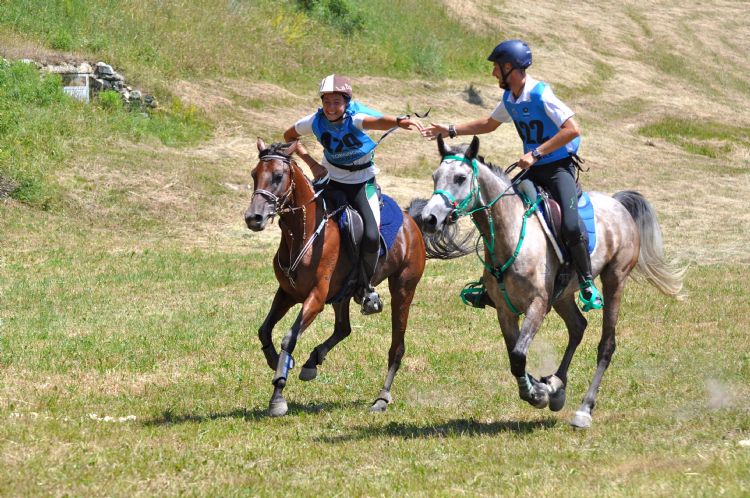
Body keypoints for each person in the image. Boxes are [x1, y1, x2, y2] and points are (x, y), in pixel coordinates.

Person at [421, 40, 603, 311]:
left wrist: (537, 154)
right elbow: (488, 124)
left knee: (571, 224)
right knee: (501, 215)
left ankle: (587, 283)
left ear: (510, 68)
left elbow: (572, 130)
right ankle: (490, 284)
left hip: (558, 169)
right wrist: (449, 130)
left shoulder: (541, 94)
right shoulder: (510, 98)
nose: (494, 73)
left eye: (496, 67)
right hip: (531, 170)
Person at [283, 74, 423, 314]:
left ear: (346, 102)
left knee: (369, 234)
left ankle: (367, 288)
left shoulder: (355, 118)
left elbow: (377, 122)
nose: (331, 108)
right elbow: (290, 137)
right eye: (326, 102)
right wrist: (312, 163)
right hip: (332, 182)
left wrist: (399, 122)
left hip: (361, 184)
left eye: (336, 102)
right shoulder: (314, 121)